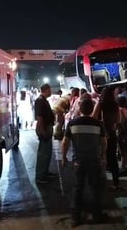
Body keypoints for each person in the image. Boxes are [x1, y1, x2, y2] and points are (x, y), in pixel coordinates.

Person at [61, 98, 107, 228]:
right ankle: (97, 215)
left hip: (78, 162)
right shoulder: (98, 124)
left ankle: (76, 218)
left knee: (78, 188)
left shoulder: (72, 123)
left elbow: (65, 143)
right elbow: (104, 143)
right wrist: (103, 156)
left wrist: (64, 157)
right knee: (95, 188)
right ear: (92, 109)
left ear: (80, 109)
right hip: (94, 160)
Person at [92, 86, 121, 191]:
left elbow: (93, 117)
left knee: (100, 157)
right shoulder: (115, 105)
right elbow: (118, 120)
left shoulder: (100, 104)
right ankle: (116, 183)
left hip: (101, 133)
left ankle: (101, 183)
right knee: (112, 158)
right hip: (112, 133)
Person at [34, 83, 56, 184]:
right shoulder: (40, 101)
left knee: (47, 152)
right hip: (45, 129)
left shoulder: (43, 100)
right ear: (46, 90)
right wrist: (42, 131)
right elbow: (40, 117)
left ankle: (45, 172)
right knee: (43, 153)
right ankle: (40, 176)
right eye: (49, 89)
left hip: (47, 128)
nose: (51, 91)